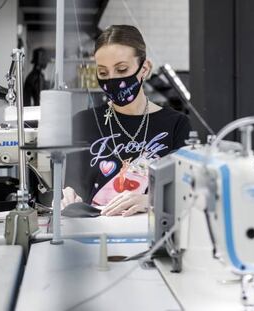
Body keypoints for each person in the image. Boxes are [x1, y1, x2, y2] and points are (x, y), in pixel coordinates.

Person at [62, 25, 191, 216]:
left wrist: (152, 200)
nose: (112, 80)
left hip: (154, 235)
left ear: (144, 69)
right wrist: (68, 196)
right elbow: (71, 185)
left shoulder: (176, 124)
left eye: (122, 69)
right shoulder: (83, 122)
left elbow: (187, 193)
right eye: (103, 73)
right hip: (95, 233)